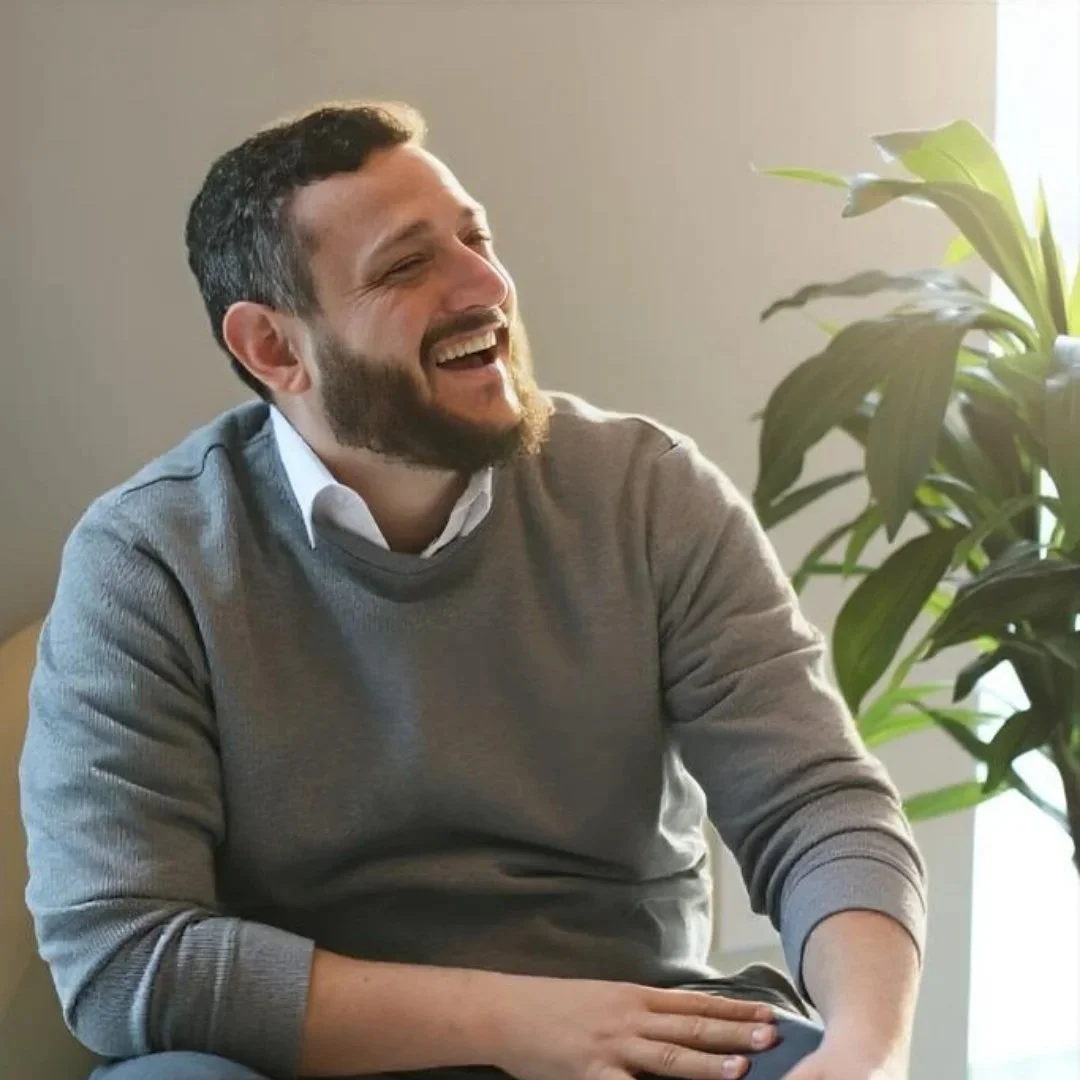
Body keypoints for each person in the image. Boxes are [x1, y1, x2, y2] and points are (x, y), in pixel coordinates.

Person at [20, 102, 927, 1080]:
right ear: (275, 349)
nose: (486, 285)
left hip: (632, 1037)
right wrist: (520, 1022)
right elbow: (121, 960)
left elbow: (817, 808)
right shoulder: (149, 560)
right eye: (408, 265)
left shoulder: (648, 493)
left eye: (475, 237)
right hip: (303, 1063)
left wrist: (863, 1055)